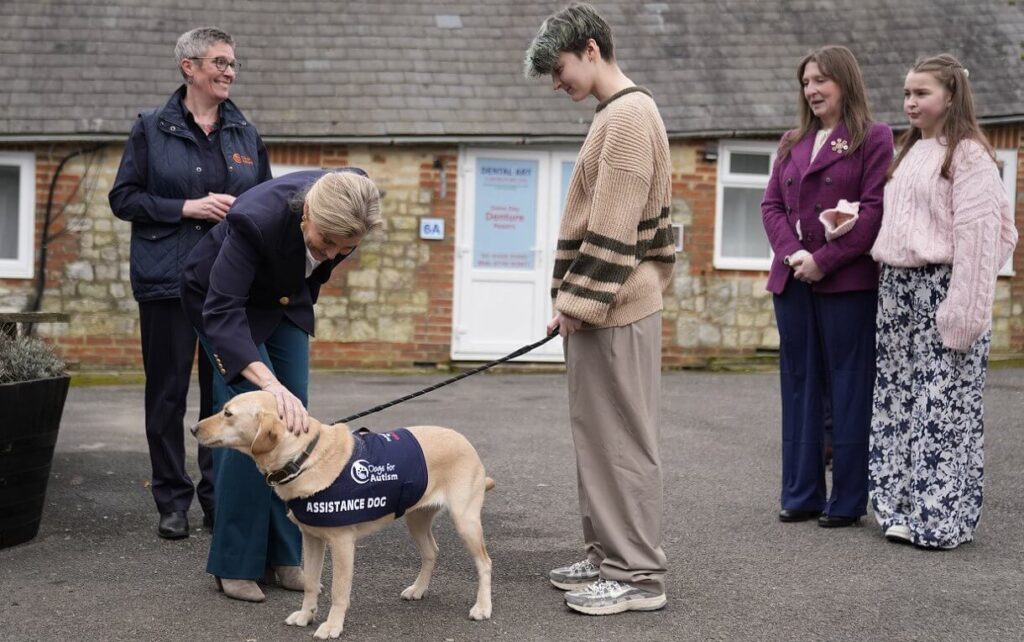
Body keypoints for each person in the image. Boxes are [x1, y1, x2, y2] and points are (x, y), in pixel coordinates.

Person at [524, 3, 676, 616]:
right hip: (600, 307)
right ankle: (605, 555)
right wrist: (575, 305)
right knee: (597, 437)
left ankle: (638, 576)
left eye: (559, 70)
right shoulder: (612, 115)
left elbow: (614, 224)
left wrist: (578, 303)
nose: (557, 84)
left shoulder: (630, 116)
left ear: (590, 49)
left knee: (623, 442)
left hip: (617, 307)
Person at [181, 169, 382, 601]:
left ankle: (284, 553)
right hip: (223, 304)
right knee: (250, 422)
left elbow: (318, 265)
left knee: (294, 419)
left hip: (286, 298)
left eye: (343, 249)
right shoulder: (254, 220)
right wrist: (267, 381)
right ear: (307, 211)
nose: (331, 255)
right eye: (324, 243)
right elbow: (223, 308)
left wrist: (319, 259)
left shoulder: (355, 205)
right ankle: (234, 562)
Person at [108, 27, 270, 540]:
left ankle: (216, 500)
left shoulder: (245, 132)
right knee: (167, 395)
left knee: (224, 395)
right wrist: (187, 207)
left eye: (233, 63)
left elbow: (268, 203)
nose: (229, 71)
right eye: (219, 62)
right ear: (189, 66)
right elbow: (124, 199)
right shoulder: (151, 129)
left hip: (228, 289)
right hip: (167, 283)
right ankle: (172, 500)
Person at [868, 55, 1017, 549]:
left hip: (942, 294)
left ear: (950, 96)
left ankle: (940, 519)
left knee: (941, 408)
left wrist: (962, 314)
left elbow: (984, 239)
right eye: (907, 93)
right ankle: (901, 507)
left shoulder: (970, 155)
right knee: (900, 403)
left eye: (922, 93)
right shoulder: (911, 151)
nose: (910, 102)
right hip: (898, 293)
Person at [760, 46, 894, 528]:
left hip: (846, 283)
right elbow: (771, 206)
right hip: (793, 279)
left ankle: (847, 500)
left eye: (821, 80)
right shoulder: (791, 140)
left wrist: (824, 260)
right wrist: (795, 253)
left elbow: (875, 211)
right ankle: (801, 493)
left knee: (849, 387)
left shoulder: (873, 138)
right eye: (806, 82)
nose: (812, 90)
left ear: (845, 82)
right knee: (799, 386)